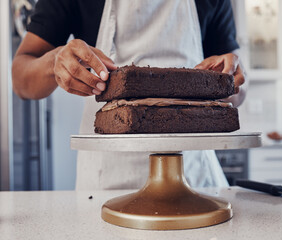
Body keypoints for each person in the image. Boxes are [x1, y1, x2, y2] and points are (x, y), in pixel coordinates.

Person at [12, 0, 247, 190]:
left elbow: (240, 88)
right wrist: (56, 61)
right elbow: (20, 79)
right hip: (107, 180)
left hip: (195, 176)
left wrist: (230, 81)